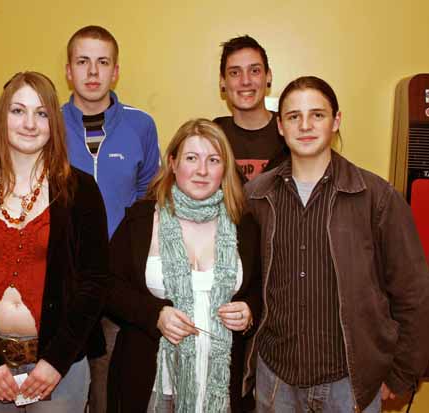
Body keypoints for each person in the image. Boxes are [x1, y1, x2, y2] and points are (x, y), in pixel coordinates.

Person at [245, 76, 429, 412]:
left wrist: (402, 372)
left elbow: (413, 292)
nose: (305, 126)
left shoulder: (377, 198)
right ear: (280, 127)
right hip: (276, 382)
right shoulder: (256, 196)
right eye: (293, 116)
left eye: (317, 115)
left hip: (349, 384)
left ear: (336, 121)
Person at [0, 71, 110, 413]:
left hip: (57, 369)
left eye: (41, 113)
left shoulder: (81, 193)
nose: (29, 123)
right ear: (2, 117)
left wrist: (56, 361)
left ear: (54, 123)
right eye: (18, 111)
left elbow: (94, 283)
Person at [106, 118, 262, 412]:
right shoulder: (141, 220)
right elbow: (109, 286)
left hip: (222, 387)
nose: (202, 170)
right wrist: (155, 314)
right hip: (151, 384)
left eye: (213, 160)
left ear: (225, 169)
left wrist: (249, 311)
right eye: (192, 158)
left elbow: (260, 287)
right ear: (173, 163)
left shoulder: (245, 225)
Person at [62, 25, 161, 413]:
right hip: (65, 283)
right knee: (62, 391)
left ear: (115, 71)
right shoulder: (46, 125)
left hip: (119, 285)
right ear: (68, 70)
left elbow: (146, 200)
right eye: (82, 62)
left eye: (102, 63)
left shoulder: (141, 126)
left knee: (109, 393)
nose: (92, 72)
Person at [214, 35, 288, 181]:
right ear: (223, 81)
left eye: (254, 71)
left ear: (268, 76)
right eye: (235, 73)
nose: (246, 81)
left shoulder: (289, 131)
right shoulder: (213, 136)